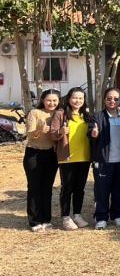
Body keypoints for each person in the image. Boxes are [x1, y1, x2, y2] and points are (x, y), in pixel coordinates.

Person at [49, 87, 93, 231]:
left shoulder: (86, 115)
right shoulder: (60, 114)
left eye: (81, 98)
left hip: (84, 156)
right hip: (67, 157)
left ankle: (77, 215)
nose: (77, 101)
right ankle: (65, 217)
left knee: (80, 188)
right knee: (67, 188)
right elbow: (52, 134)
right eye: (74, 98)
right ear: (68, 99)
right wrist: (60, 132)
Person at [90, 87, 120, 229]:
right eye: (109, 98)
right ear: (104, 99)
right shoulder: (97, 116)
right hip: (104, 161)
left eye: (116, 99)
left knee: (119, 190)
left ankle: (117, 215)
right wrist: (94, 133)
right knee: (102, 191)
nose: (112, 101)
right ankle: (101, 217)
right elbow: (90, 132)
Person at [23, 89, 61, 232]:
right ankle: (34, 221)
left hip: (51, 154)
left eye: (54, 100)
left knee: (47, 188)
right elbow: (29, 135)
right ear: (43, 100)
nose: (51, 103)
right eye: (48, 100)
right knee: (34, 187)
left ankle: (46, 219)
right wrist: (40, 130)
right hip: (34, 153)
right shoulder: (35, 113)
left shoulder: (59, 114)